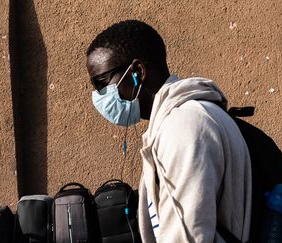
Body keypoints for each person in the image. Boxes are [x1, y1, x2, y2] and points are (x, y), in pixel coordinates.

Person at [85, 20, 252, 243]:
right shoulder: (173, 124)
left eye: (101, 83)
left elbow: (188, 236)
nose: (98, 94)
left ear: (137, 72)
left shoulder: (184, 127)